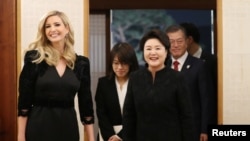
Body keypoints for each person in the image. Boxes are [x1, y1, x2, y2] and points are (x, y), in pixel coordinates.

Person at [17, 10, 95, 141]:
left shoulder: (81, 63)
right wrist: (20, 137)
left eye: (57, 24)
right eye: (48, 26)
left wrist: (92, 139)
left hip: (68, 128)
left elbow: (86, 104)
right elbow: (24, 103)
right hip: (38, 127)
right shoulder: (34, 59)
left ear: (67, 29)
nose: (52, 29)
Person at [122, 29, 195, 141]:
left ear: (166, 52)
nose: (153, 53)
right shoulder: (135, 78)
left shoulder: (178, 78)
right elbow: (129, 115)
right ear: (143, 52)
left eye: (158, 48)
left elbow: (186, 117)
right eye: (148, 49)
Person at [166, 24, 214, 141]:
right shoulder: (162, 66)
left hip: (193, 129)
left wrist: (204, 129)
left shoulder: (199, 66)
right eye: (171, 42)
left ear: (187, 42)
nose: (175, 45)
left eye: (179, 41)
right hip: (166, 130)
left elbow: (206, 101)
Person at [95, 42, 139, 141]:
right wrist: (111, 137)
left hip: (132, 135)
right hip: (107, 136)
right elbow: (101, 113)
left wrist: (120, 137)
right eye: (116, 63)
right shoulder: (103, 83)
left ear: (131, 63)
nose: (119, 67)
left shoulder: (138, 83)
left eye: (123, 63)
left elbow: (138, 114)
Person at [180, 22, 218, 125]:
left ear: (189, 40)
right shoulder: (178, 61)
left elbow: (213, 95)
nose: (176, 45)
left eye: (180, 40)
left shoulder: (211, 61)